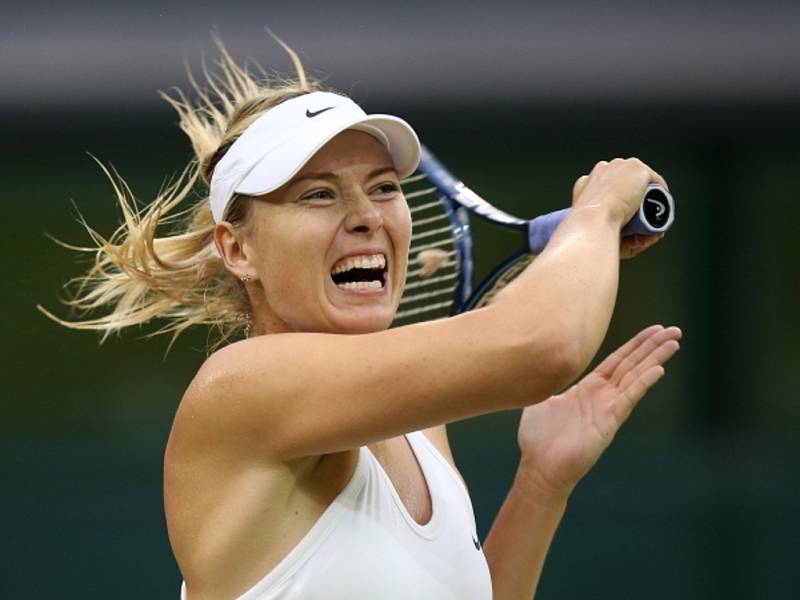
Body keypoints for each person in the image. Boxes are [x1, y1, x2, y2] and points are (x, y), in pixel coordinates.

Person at [42, 40, 681, 600]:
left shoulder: (422, 427)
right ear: (239, 250)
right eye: (319, 194)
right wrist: (596, 212)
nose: (366, 215)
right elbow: (547, 345)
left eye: (383, 187)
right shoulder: (241, 388)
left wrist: (543, 481)